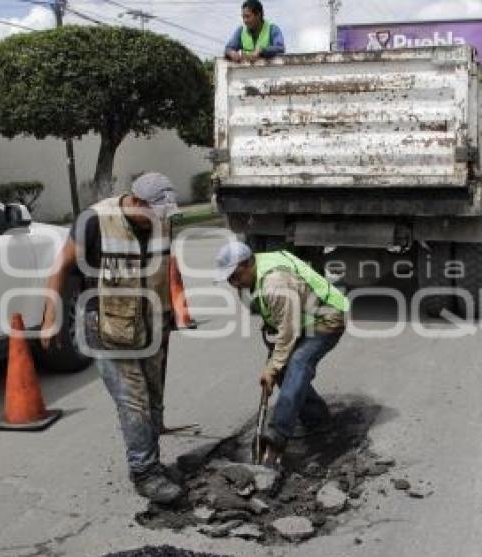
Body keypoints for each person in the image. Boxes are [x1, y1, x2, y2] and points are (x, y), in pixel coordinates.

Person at [40, 173, 184, 504]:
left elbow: (168, 266)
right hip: (106, 326)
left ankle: (154, 463)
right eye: (154, 213)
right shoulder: (94, 220)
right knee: (133, 401)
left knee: (154, 397)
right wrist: (50, 318)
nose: (159, 221)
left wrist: (173, 312)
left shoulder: (161, 220)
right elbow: (59, 268)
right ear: (135, 201)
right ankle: (144, 473)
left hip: (152, 324)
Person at [215, 242, 348, 466]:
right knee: (282, 366)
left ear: (247, 264)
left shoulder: (275, 282)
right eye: (228, 279)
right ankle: (317, 420)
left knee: (297, 362)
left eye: (235, 276)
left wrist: (273, 366)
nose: (232, 283)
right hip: (304, 318)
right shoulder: (256, 270)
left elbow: (288, 332)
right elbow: (280, 318)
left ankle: (277, 437)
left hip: (327, 318)